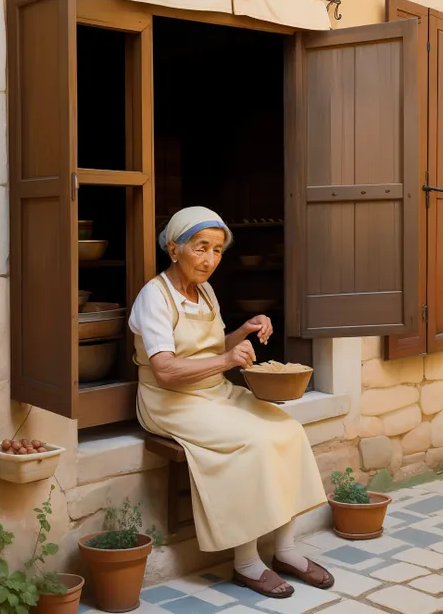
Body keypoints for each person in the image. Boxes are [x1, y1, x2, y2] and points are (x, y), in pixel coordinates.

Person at [129, 206, 333, 599]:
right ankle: (246, 562)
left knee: (287, 428)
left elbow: (211, 349)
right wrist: (226, 361)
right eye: (200, 248)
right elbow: (166, 372)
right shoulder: (154, 298)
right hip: (170, 402)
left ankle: (286, 551)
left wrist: (244, 331)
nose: (209, 260)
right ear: (174, 248)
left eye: (218, 250)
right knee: (253, 442)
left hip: (213, 392)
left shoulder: (204, 291)